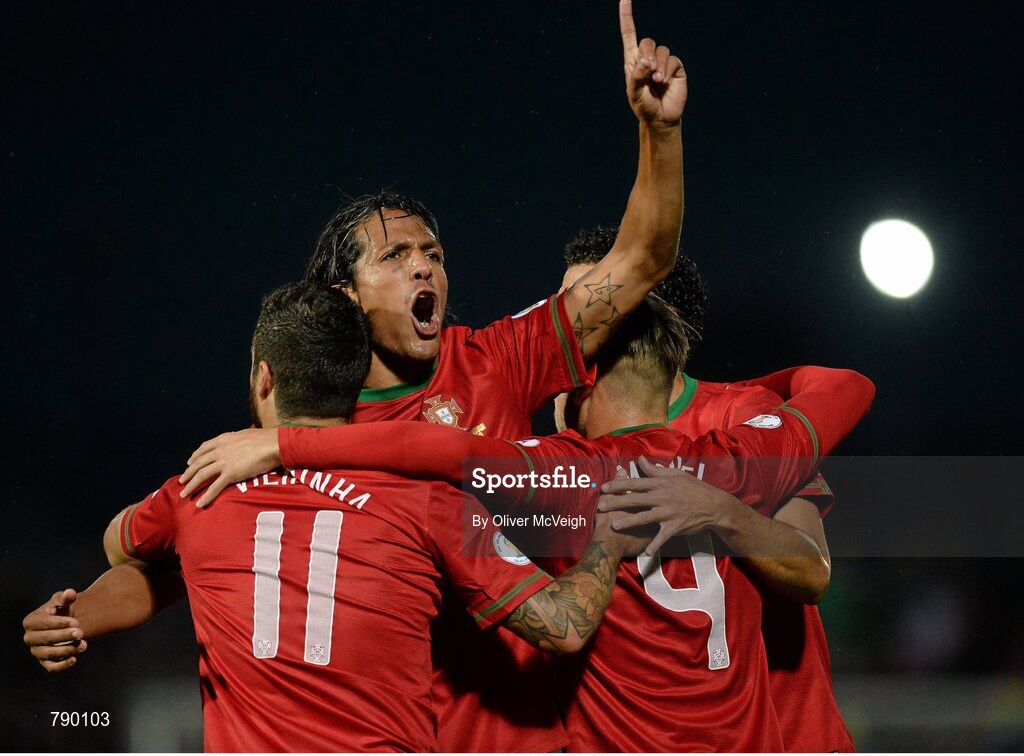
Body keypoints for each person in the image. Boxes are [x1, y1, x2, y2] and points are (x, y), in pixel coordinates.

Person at [26, 0, 687, 753]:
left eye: (432, 252)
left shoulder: (496, 358)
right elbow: (179, 559)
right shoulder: (305, 422)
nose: (424, 264)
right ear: (347, 295)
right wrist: (81, 615)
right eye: (396, 257)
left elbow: (640, 263)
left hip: (528, 732)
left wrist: (658, 132)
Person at [174, 295, 875, 750]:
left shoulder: (563, 476)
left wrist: (284, 443)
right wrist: (748, 414)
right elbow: (851, 385)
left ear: (586, 384)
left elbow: (437, 450)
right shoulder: (741, 457)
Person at [25, 281, 642, 752]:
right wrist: (607, 534)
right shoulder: (428, 500)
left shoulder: (199, 492)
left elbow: (127, 548)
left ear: (264, 379)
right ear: (354, 388)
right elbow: (564, 626)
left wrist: (77, 617)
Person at [562, 225, 856, 751]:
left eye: (586, 303)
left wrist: (721, 512)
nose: (565, 323)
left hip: (785, 737)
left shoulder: (743, 416)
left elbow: (810, 569)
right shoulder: (570, 442)